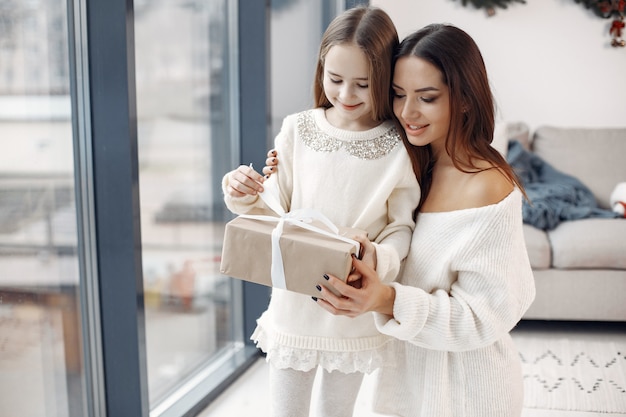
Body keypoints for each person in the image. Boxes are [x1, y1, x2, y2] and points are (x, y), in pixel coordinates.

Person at [267, 23, 536, 417]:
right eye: (397, 94)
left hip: (466, 395)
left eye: (427, 98)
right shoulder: (416, 159)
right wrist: (278, 170)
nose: (407, 113)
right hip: (406, 389)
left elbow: (485, 316)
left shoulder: (488, 188)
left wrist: (387, 300)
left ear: (464, 99)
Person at [222, 6, 420, 417]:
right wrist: (241, 192)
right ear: (321, 70)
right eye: (335, 80)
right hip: (294, 306)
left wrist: (372, 255)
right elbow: (274, 211)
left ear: (384, 79)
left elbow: (401, 229)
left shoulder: (400, 146)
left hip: (350, 306)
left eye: (362, 84)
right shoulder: (298, 129)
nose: (346, 95)